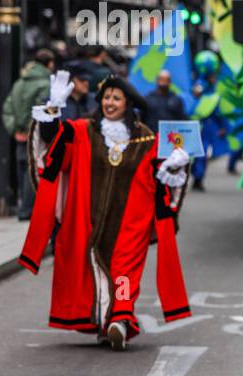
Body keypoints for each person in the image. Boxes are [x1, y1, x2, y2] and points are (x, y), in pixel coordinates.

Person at [19, 72, 193, 351]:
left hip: (129, 223)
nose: (110, 103)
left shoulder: (146, 139)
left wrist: (176, 165)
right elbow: (53, 150)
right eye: (106, 98)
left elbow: (162, 178)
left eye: (116, 98)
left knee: (123, 273)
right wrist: (52, 109)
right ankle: (106, 322)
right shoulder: (82, 130)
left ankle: (121, 319)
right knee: (93, 273)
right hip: (87, 220)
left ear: (128, 104)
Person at [2, 48, 55, 221]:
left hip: (19, 135)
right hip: (34, 135)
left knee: (22, 168)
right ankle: (27, 209)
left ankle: (22, 205)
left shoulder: (19, 82)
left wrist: (15, 129)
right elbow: (42, 111)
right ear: (49, 64)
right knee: (33, 172)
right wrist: (32, 130)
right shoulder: (45, 84)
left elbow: (8, 108)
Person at [143, 69, 188, 136]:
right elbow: (142, 120)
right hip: (152, 138)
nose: (164, 82)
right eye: (162, 79)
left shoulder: (176, 99)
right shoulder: (148, 99)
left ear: (170, 81)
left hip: (171, 138)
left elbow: (182, 120)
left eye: (166, 79)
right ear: (157, 80)